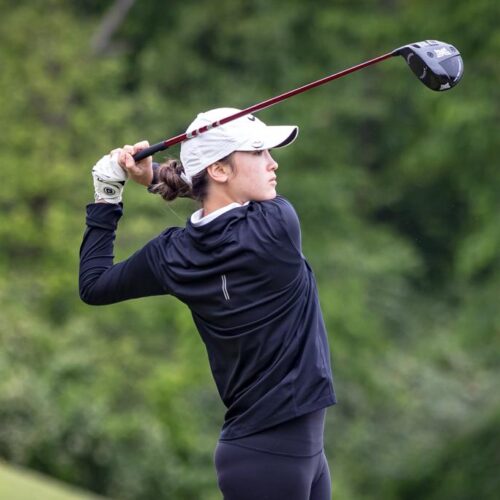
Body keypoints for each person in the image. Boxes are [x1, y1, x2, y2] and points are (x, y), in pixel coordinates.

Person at [79, 108, 336, 500]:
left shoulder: (171, 254)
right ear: (218, 170)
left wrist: (108, 194)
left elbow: (94, 284)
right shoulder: (278, 225)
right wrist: (155, 178)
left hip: (274, 454)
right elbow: (216, 204)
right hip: (273, 458)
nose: (273, 162)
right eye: (258, 152)